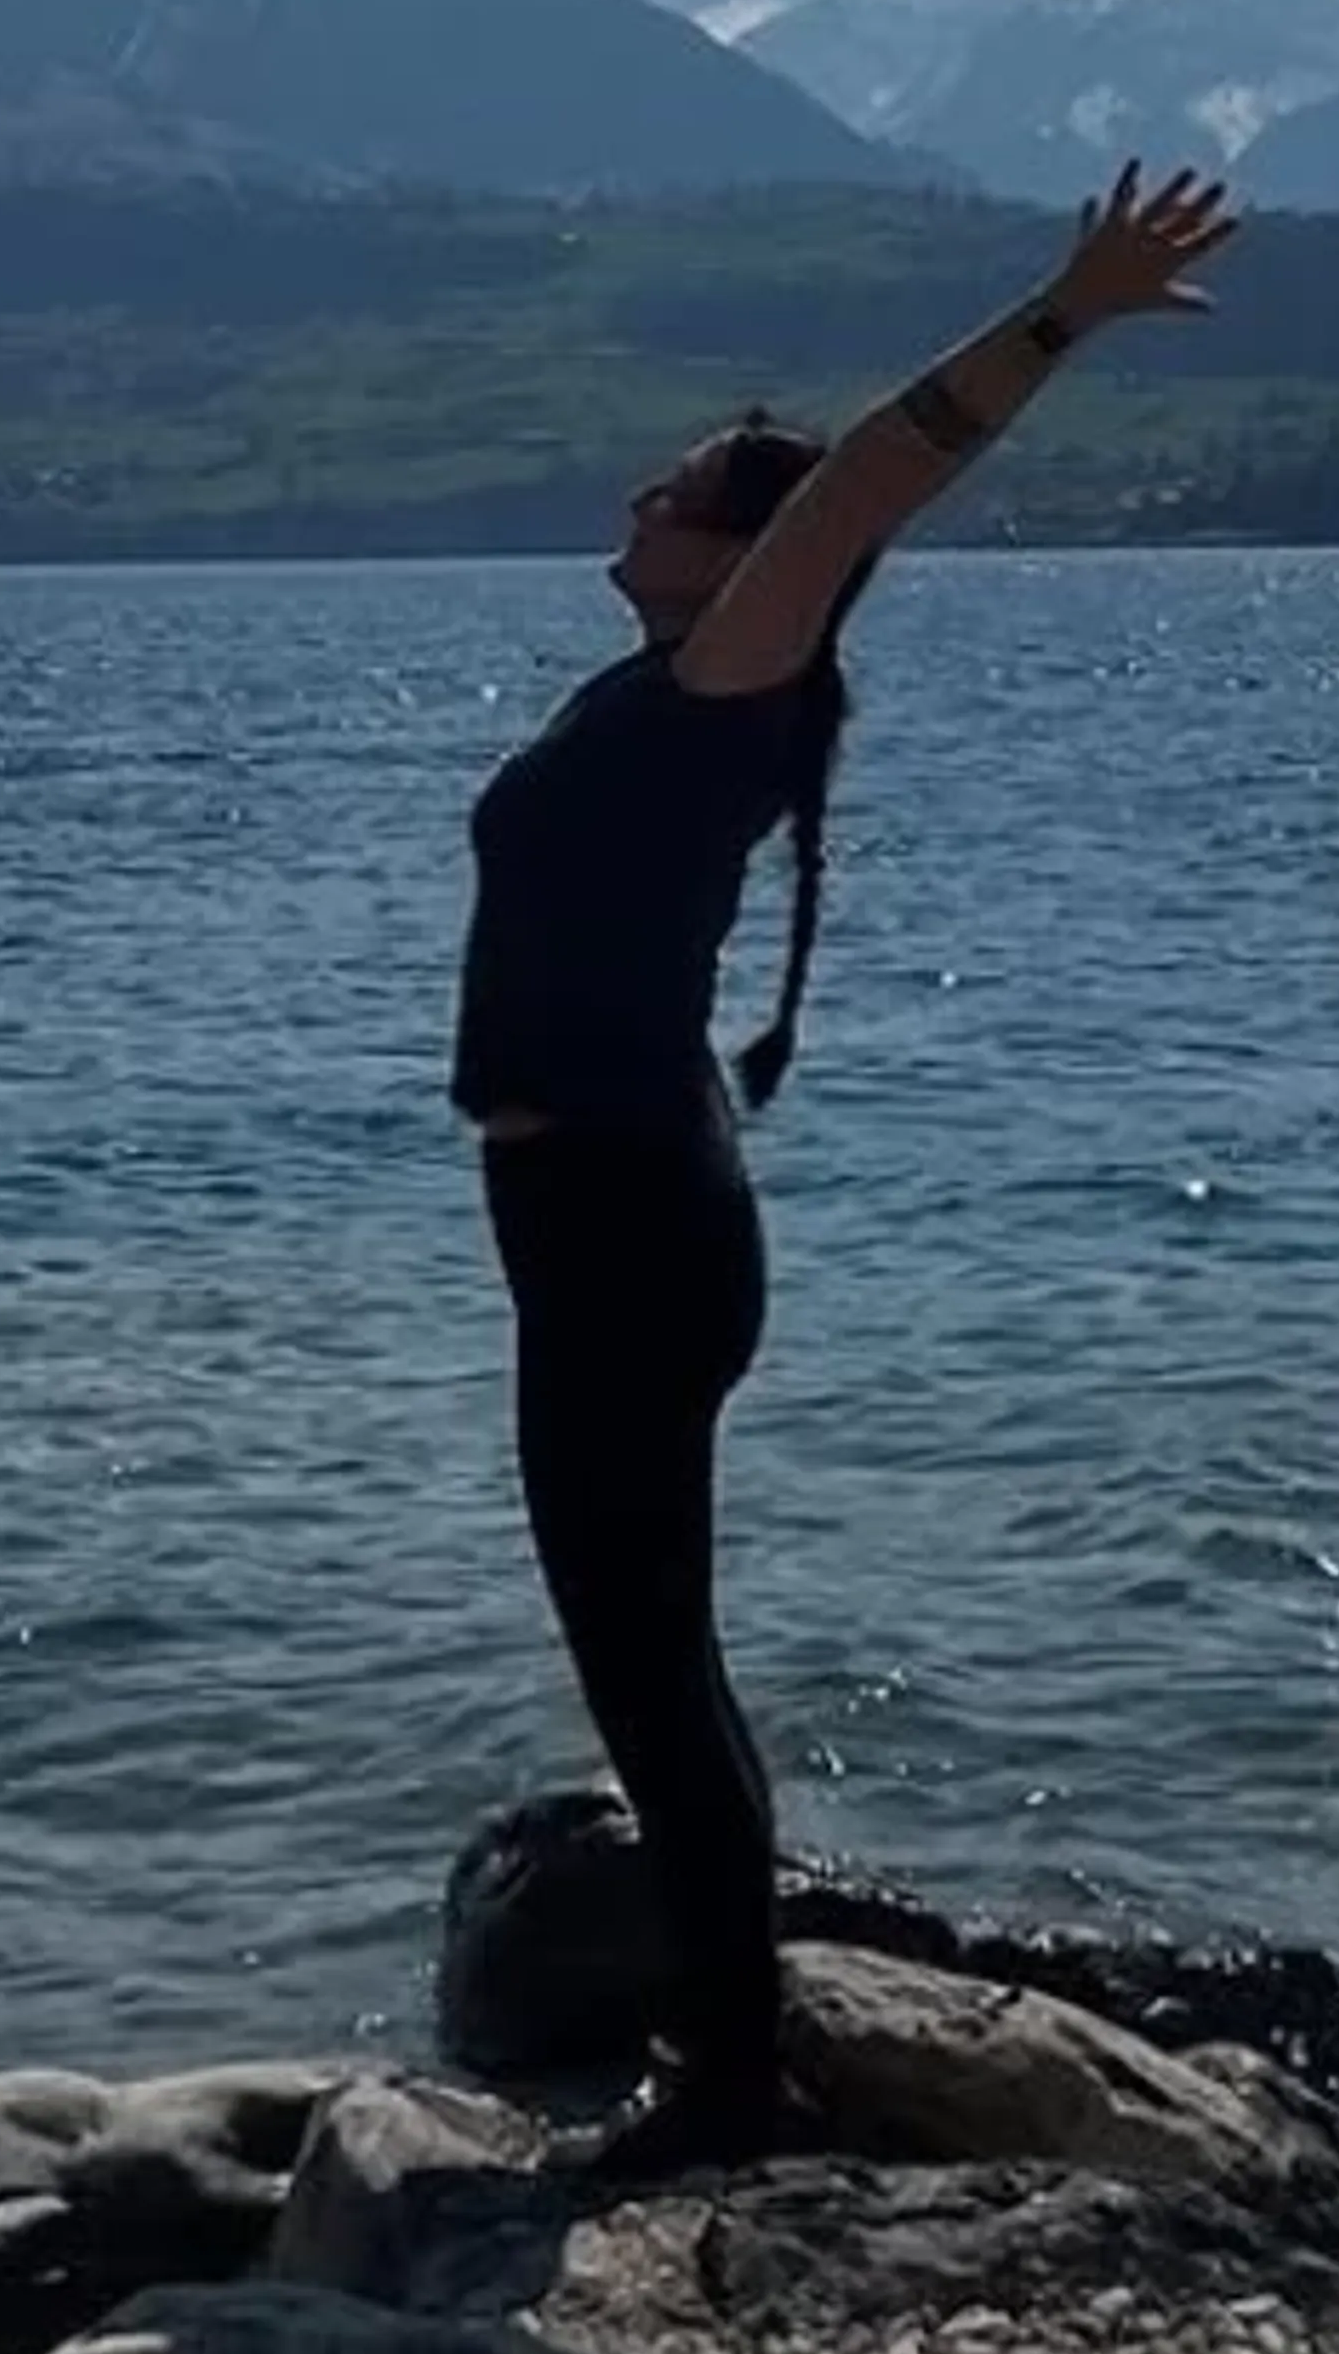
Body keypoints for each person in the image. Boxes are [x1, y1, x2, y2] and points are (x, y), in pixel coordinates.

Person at [453, 162, 1242, 2174]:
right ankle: (728, 2051)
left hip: (628, 1218)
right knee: (655, 1652)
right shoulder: (680, 684)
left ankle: (720, 2083)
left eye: (672, 492)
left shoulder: (740, 667)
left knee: (644, 1666)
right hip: (606, 1216)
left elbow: (879, 473)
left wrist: (1062, 312)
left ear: (742, 554)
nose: (633, 504)